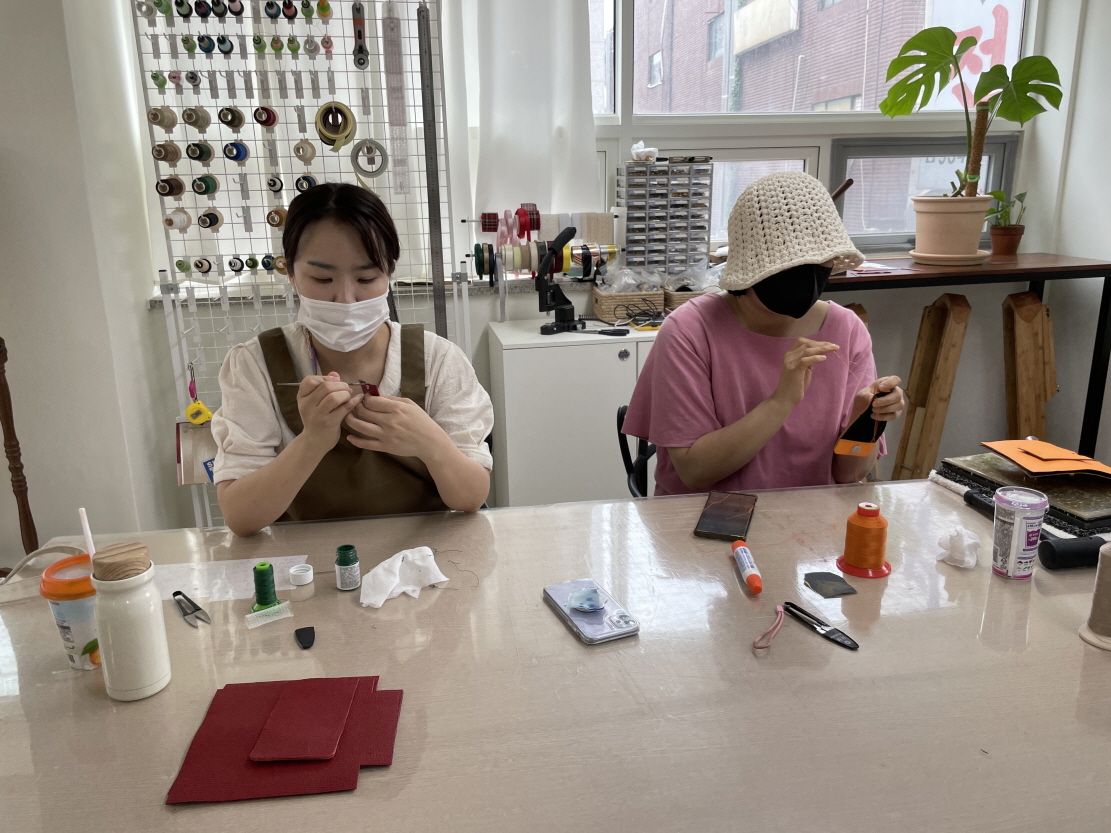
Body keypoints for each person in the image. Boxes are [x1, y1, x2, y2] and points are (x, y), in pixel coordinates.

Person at [212, 183, 493, 536]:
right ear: (291, 273)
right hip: (308, 561)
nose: (346, 299)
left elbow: (471, 498)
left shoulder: (437, 359)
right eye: (322, 278)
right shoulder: (255, 365)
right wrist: (312, 441)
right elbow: (241, 516)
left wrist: (430, 443)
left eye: (366, 278)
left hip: (424, 557)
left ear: (389, 273)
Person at [622, 171, 906, 495]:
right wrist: (781, 401)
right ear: (754, 266)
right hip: (702, 517)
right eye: (793, 268)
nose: (809, 280)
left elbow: (848, 475)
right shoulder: (690, 331)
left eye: (821, 264)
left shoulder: (847, 329)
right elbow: (694, 472)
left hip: (809, 518)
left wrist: (866, 420)